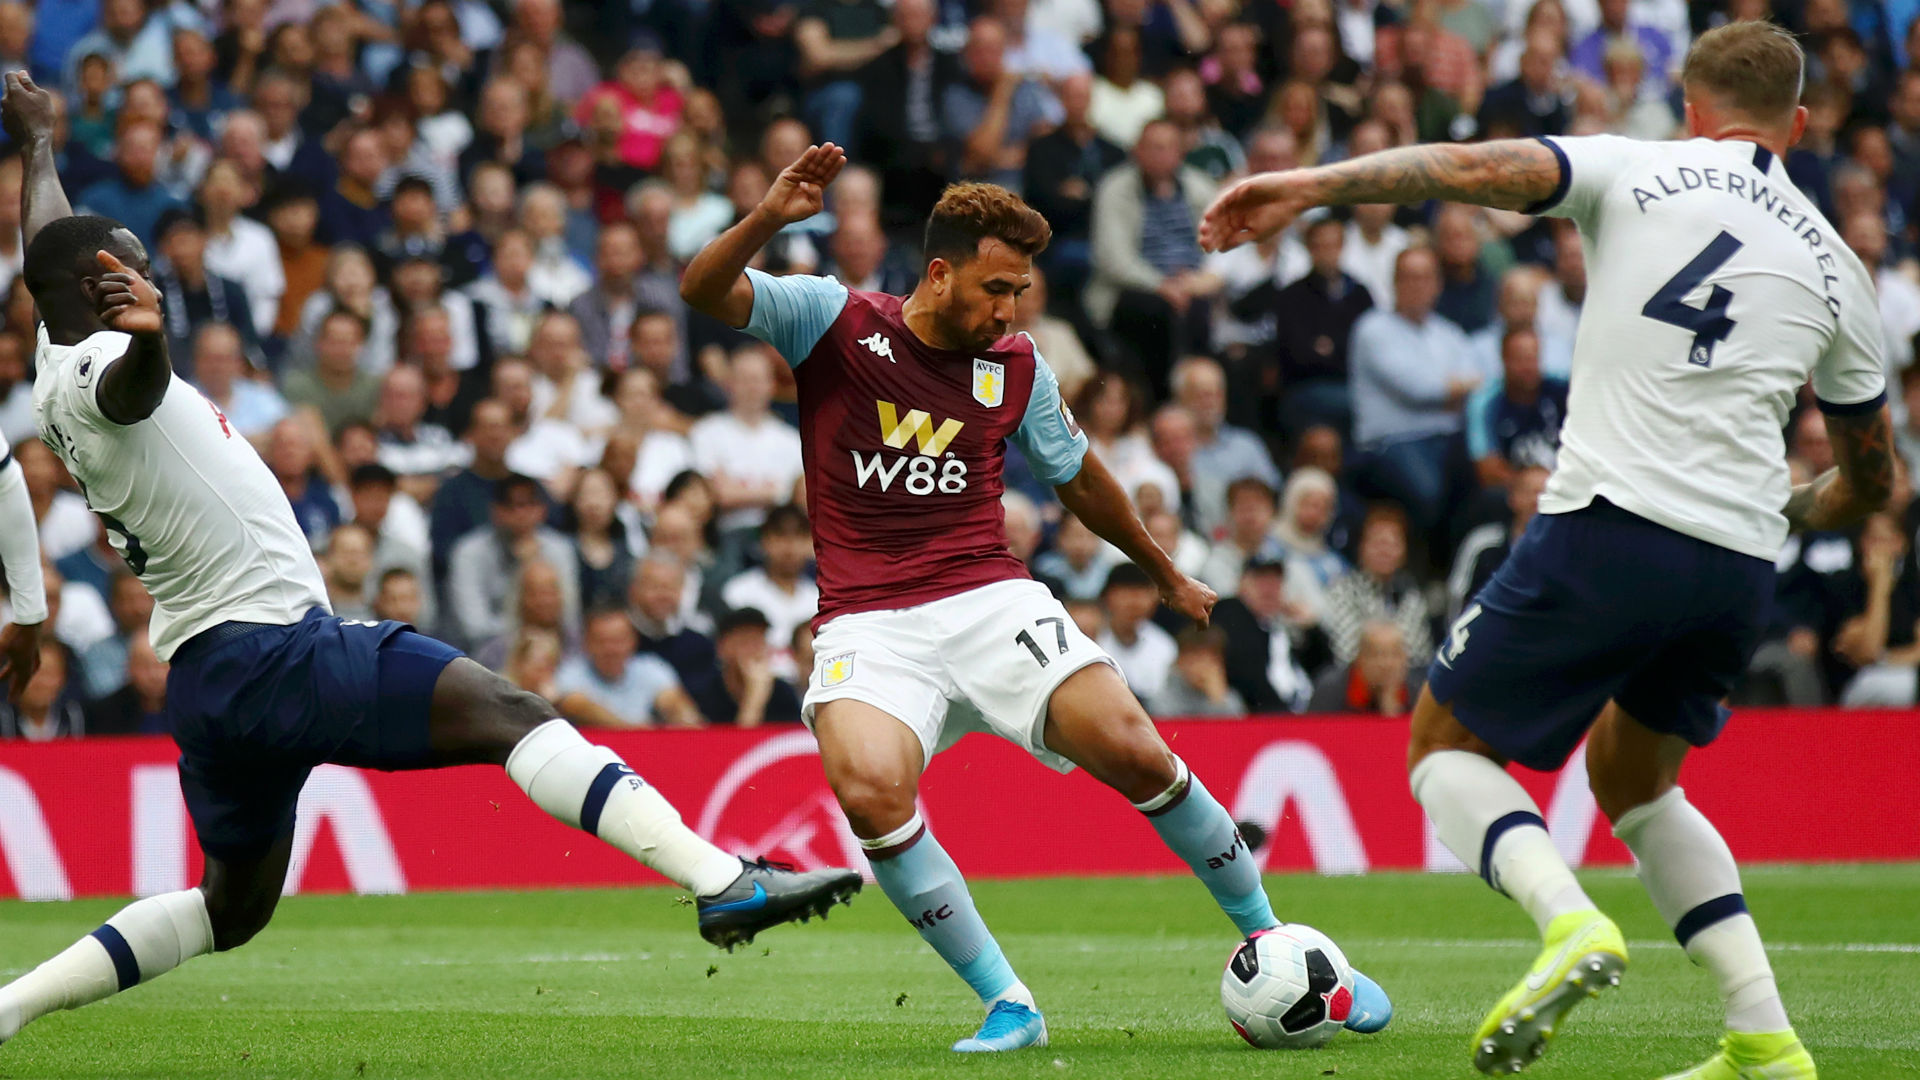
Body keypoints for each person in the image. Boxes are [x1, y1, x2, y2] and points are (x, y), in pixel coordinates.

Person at [0, 70, 860, 1050]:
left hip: (210, 679)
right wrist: (154, 338)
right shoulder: (102, 373)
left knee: (231, 910)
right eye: (130, 267)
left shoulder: (48, 351)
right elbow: (131, 389)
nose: (142, 273)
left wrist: (37, 143)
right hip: (277, 649)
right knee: (514, 714)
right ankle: (723, 881)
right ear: (98, 291)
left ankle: (8, 1009)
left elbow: (52, 248)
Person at [1201, 21, 1890, 1078]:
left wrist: (1315, 184)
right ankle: (1764, 1035)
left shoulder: (1637, 166)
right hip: (1739, 564)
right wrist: (1784, 511)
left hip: (1615, 521)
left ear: (1691, 108)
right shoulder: (1841, 268)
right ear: (1799, 125)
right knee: (1637, 778)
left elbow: (1472, 167)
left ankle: (1568, 922)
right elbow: (1875, 481)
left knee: (1442, 746)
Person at [681, 152, 1390, 1052]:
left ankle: (1273, 936)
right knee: (868, 791)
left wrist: (1163, 568)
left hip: (988, 593)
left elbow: (1080, 479)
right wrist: (767, 216)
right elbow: (703, 289)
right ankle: (1007, 1001)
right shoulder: (832, 317)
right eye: (996, 287)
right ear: (940, 273)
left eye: (1020, 290)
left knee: (1136, 749)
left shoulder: (1016, 365)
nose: (1011, 309)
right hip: (869, 617)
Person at [551, 607, 703, 728]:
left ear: (633, 641)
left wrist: (683, 717)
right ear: (586, 643)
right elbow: (577, 705)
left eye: (618, 640)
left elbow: (673, 702)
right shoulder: (570, 672)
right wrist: (636, 732)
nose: (611, 649)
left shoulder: (651, 667)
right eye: (602, 641)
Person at [1143, 625, 1244, 717]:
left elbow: (1235, 732)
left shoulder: (1230, 700)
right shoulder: (1161, 699)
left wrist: (1218, 701)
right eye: (1196, 659)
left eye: (1210, 660)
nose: (1202, 667)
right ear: (1180, 661)